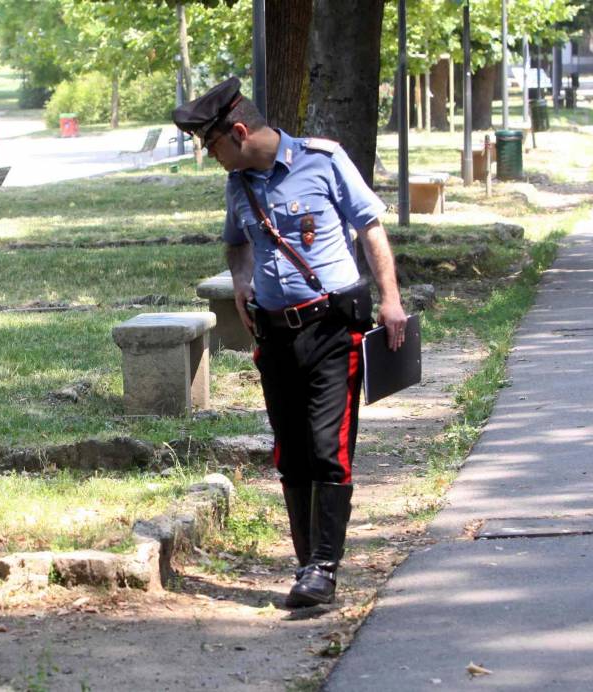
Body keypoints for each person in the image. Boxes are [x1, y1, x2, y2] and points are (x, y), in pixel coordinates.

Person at [173, 77, 406, 608]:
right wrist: (240, 279)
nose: (212, 158)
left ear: (238, 131)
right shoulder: (239, 184)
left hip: (331, 328)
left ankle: (324, 568)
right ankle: (307, 566)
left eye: (213, 147)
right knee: (290, 452)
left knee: (329, 448)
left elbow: (369, 226)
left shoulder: (324, 161)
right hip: (274, 335)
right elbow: (236, 242)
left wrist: (391, 299)